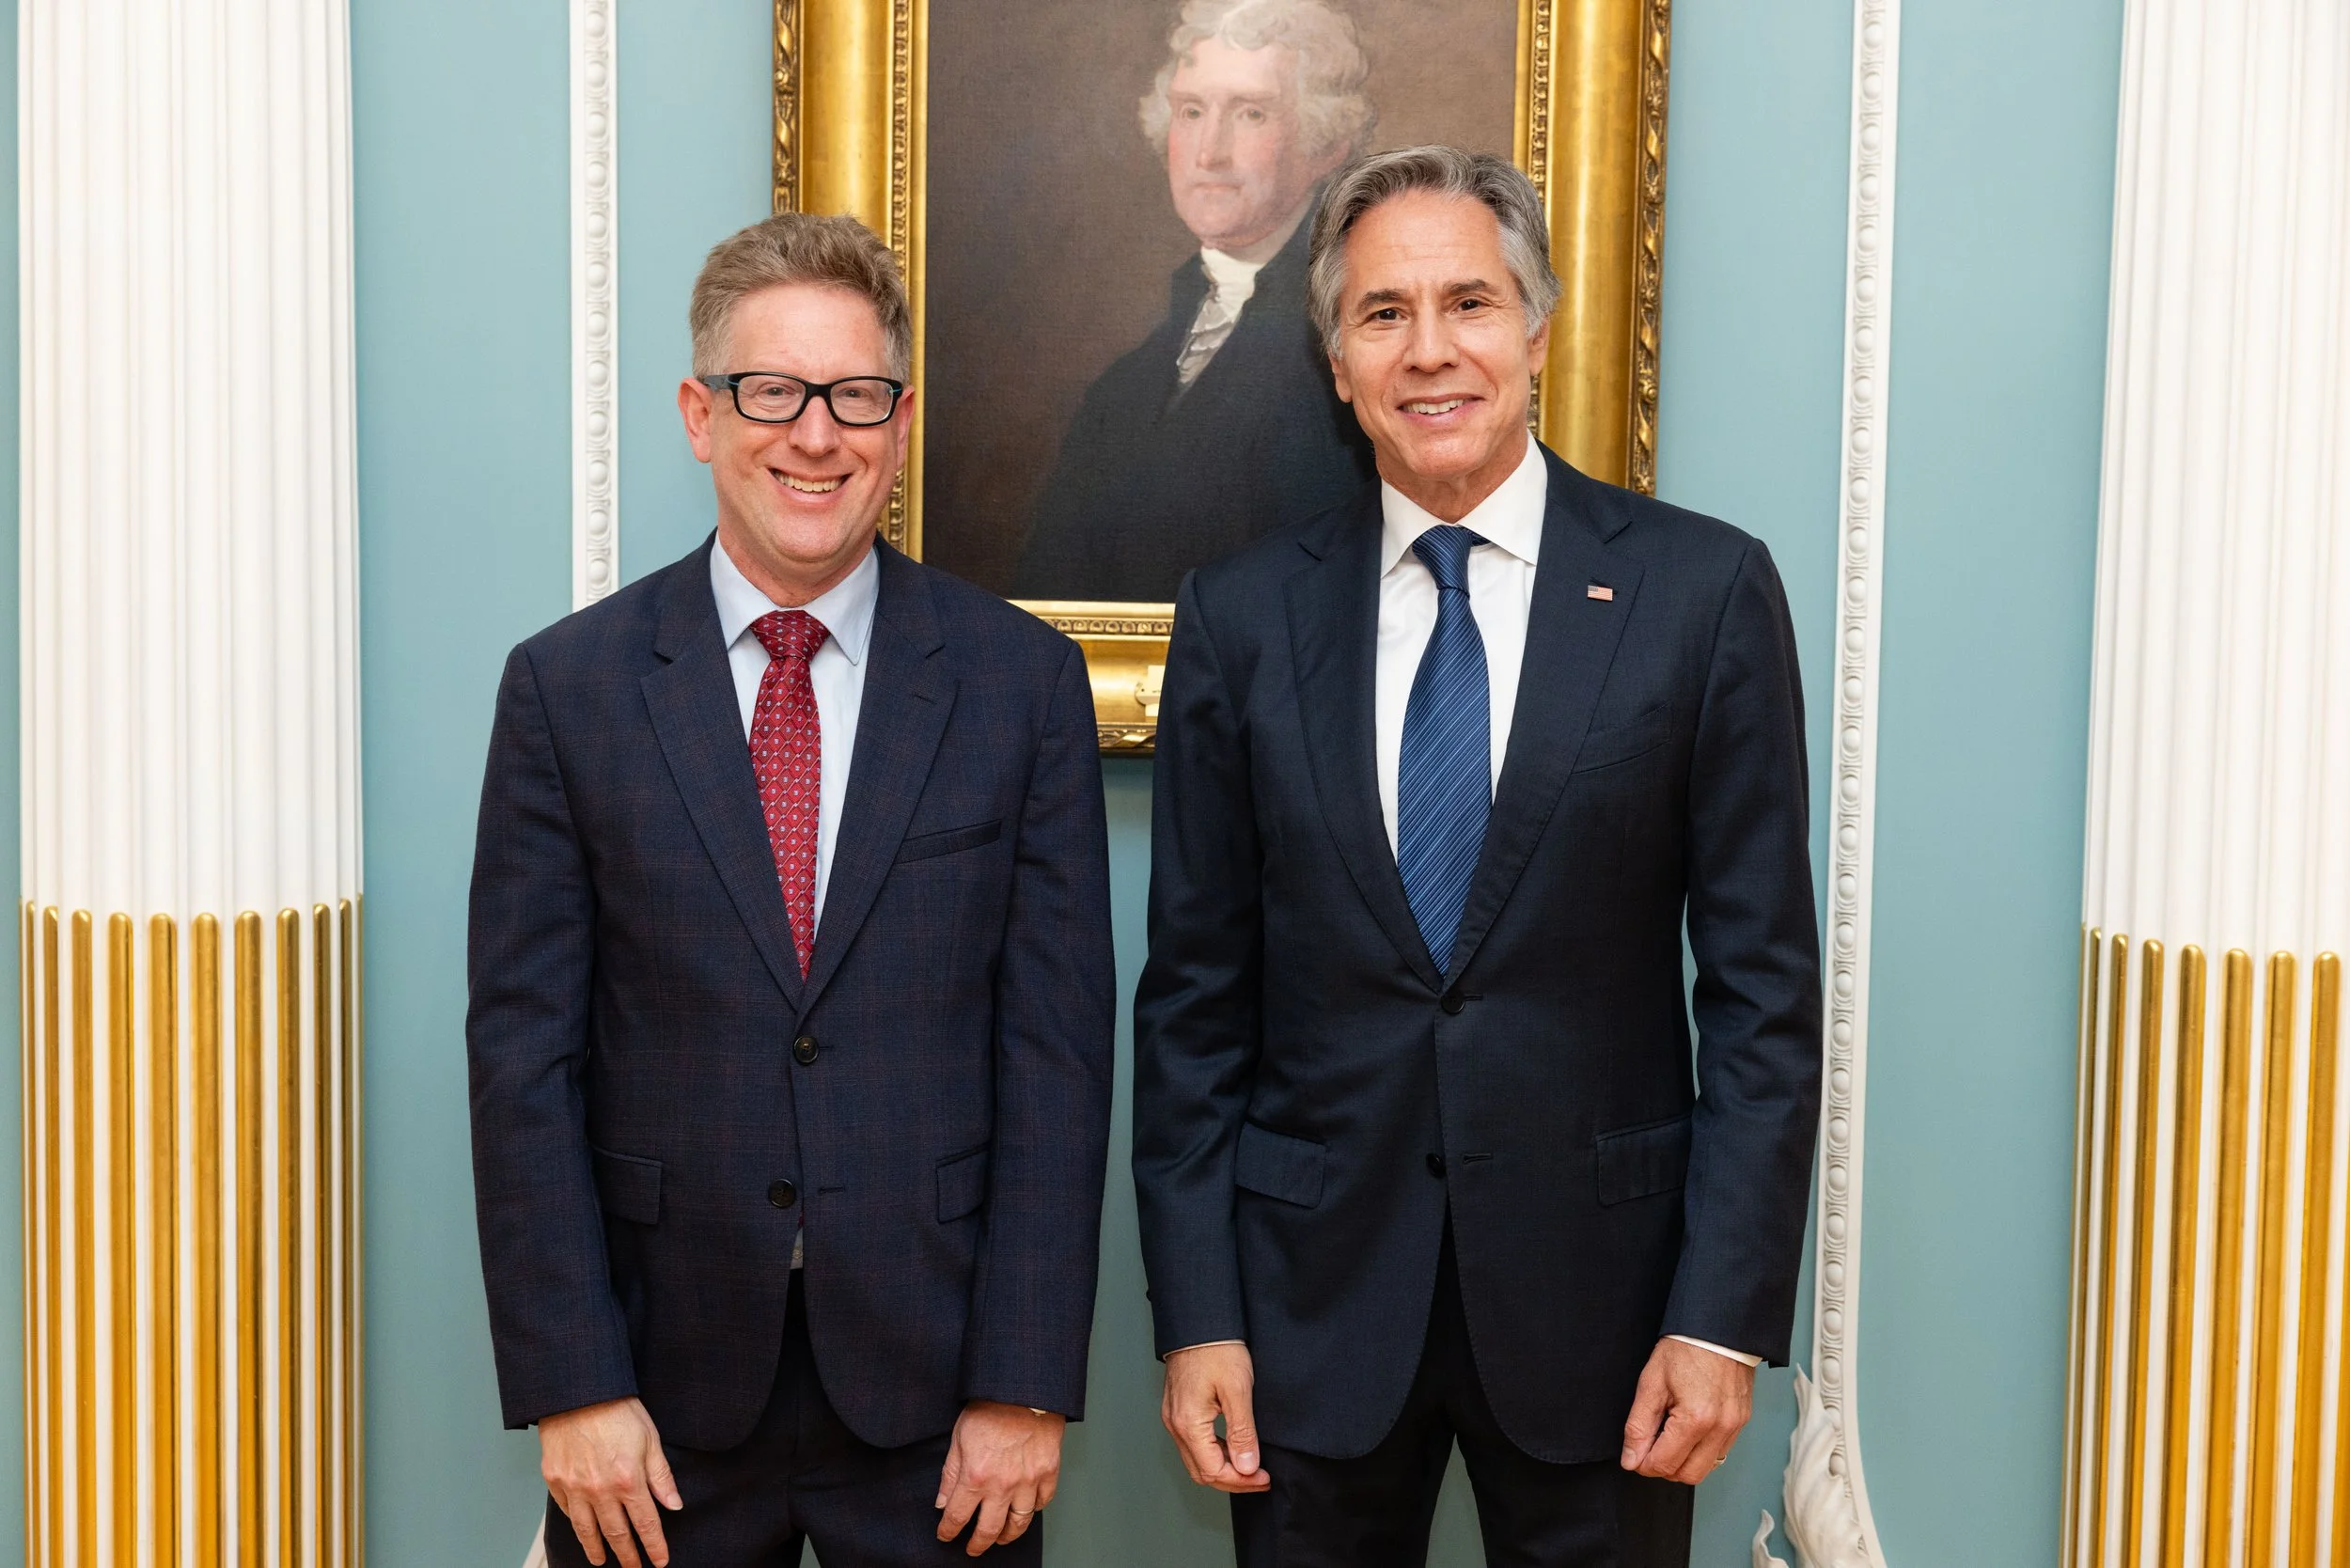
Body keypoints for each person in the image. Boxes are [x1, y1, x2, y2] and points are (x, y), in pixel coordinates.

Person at [1133, 146, 1823, 1567]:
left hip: (1614, 1323)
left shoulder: (1702, 593)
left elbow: (1762, 1002)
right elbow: (1196, 1002)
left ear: (1537, 329)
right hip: (1309, 1317)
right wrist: (1197, 1312)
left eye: (1471, 303)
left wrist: (1719, 1316)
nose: (1431, 350)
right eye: (1384, 314)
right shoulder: (1245, 617)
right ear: (1336, 362)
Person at [468, 212, 1115, 1568]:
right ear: (702, 415)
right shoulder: (567, 691)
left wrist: (1025, 1382)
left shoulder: (1018, 687)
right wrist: (574, 1384)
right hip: (654, 1397)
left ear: (901, 418)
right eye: (773, 392)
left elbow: (1056, 1062)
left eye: (854, 397)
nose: (815, 436)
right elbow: (523, 1060)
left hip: (944, 1406)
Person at [1010, 0, 1377, 604]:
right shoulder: (1121, 389)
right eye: (1191, 111)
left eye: (1252, 112)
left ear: (1327, 142)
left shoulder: (1358, 350)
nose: (1210, 152)